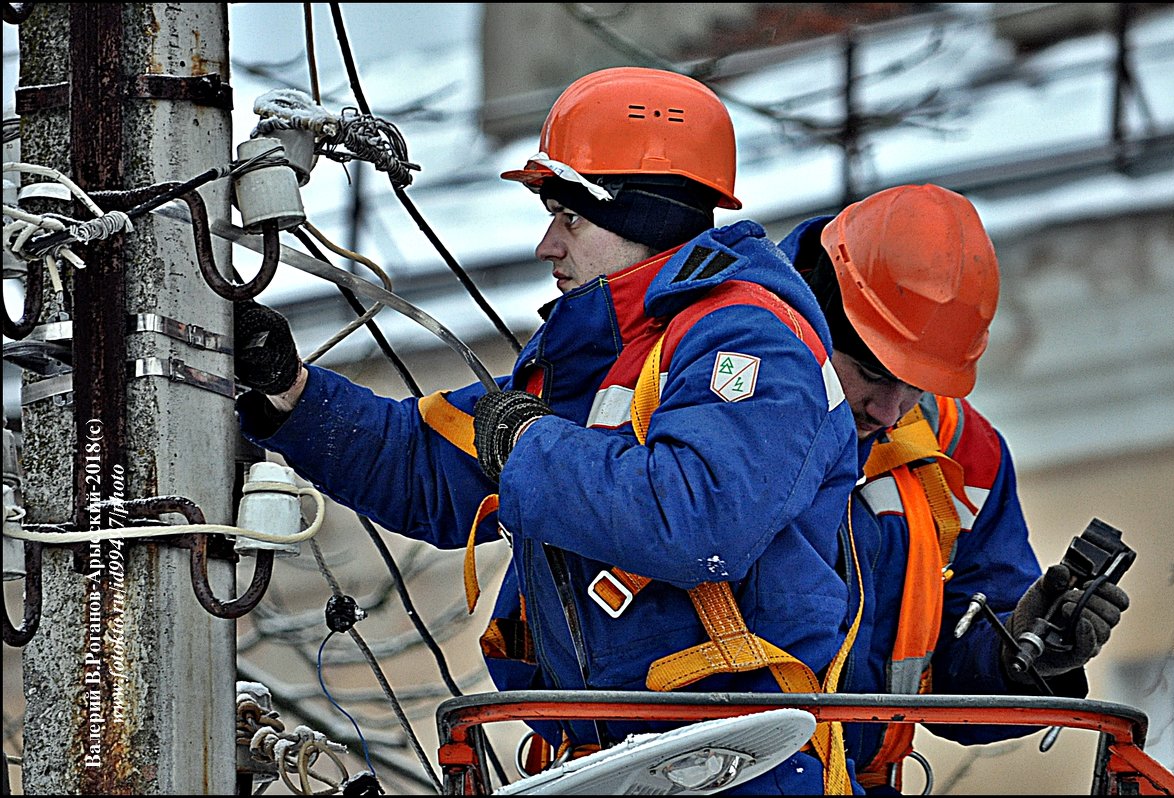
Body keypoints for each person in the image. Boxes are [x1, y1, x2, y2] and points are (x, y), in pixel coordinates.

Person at [235, 67, 863, 794]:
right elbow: (429, 468)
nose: (546, 245)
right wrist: (290, 391)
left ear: (642, 216)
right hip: (626, 758)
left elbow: (698, 519)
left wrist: (524, 444)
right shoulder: (594, 356)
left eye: (569, 217)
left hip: (739, 762)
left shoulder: (749, 341)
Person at [778, 184, 1131, 793]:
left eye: (916, 383)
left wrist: (1022, 652)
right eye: (871, 372)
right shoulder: (713, 394)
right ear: (810, 314)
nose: (891, 411)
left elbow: (953, 673)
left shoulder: (965, 456)